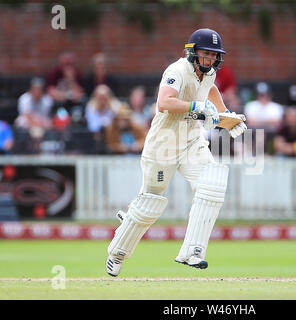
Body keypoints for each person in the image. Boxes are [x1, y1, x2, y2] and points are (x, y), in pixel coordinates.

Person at [105, 28, 247, 277]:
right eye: (205, 54)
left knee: (212, 183)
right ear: (191, 53)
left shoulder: (209, 72)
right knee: (150, 204)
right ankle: (118, 251)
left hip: (192, 141)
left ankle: (192, 251)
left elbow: (210, 89)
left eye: (214, 55)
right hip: (163, 145)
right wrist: (197, 106)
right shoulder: (176, 71)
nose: (210, 60)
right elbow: (164, 102)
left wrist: (225, 116)